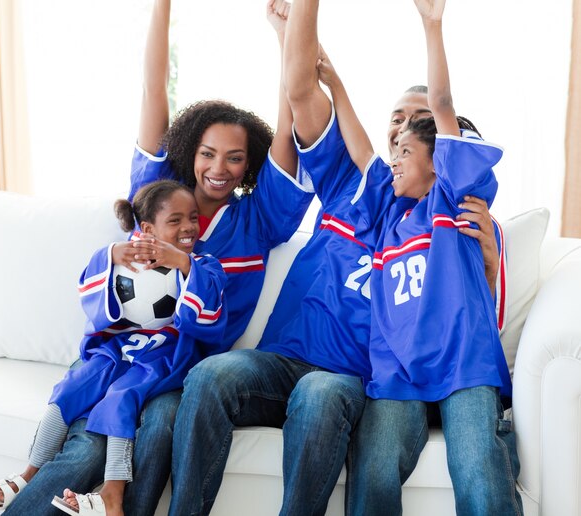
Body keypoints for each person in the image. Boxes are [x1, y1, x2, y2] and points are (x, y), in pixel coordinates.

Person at [168, 2, 507, 515]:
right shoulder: (356, 185)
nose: (404, 129)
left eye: (419, 122)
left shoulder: (453, 211)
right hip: (287, 357)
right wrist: (297, 29)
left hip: (352, 374)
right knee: (212, 376)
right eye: (397, 119)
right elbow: (303, 91)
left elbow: (469, 303)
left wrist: (487, 258)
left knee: (322, 396)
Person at [0, 1, 314, 515]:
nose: (219, 168)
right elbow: (153, 90)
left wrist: (284, 38)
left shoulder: (260, 220)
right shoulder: (158, 195)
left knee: (160, 425)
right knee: (89, 443)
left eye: (235, 158)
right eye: (208, 153)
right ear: (189, 151)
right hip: (119, 351)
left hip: (181, 366)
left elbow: (288, 131)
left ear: (249, 164)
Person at [323, 0, 522, 514]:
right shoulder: (387, 211)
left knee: (478, 466)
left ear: (440, 165)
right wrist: (336, 85)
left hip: (463, 364)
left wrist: (431, 26)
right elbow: (363, 149)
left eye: (406, 152)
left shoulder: (453, 201)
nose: (394, 160)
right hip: (398, 373)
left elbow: (442, 106)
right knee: (374, 464)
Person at [0, 179, 228, 515]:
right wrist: (111, 254)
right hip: (118, 349)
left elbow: (211, 312)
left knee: (120, 398)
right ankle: (30, 472)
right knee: (69, 390)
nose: (188, 227)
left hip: (162, 356)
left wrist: (183, 264)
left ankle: (113, 493)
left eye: (193, 218)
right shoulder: (125, 254)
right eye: (175, 221)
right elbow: (91, 292)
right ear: (146, 229)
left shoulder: (203, 263)